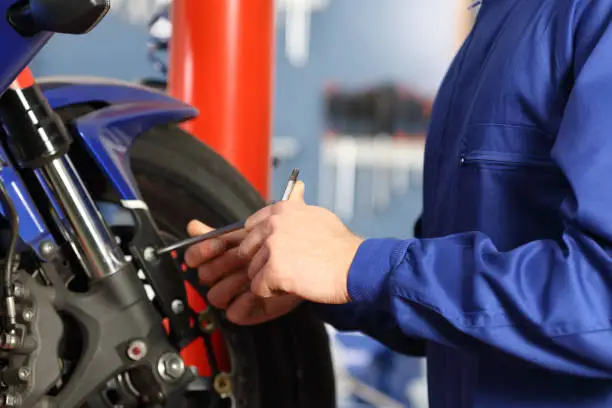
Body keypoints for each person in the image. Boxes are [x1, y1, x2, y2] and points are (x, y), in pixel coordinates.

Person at [184, 0, 612, 406]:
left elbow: (600, 302)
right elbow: (456, 320)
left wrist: (360, 265)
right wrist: (318, 280)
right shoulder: (495, 22)